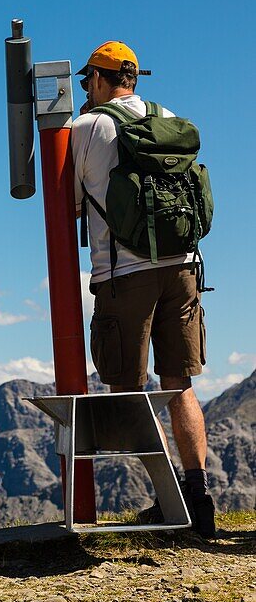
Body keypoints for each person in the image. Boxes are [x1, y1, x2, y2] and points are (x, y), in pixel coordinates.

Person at [72, 42, 216, 538]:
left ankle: (166, 501)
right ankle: (199, 499)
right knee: (180, 384)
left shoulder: (89, 127)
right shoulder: (167, 118)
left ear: (97, 78)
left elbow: (71, 202)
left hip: (123, 271)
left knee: (127, 388)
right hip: (184, 266)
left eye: (86, 79)